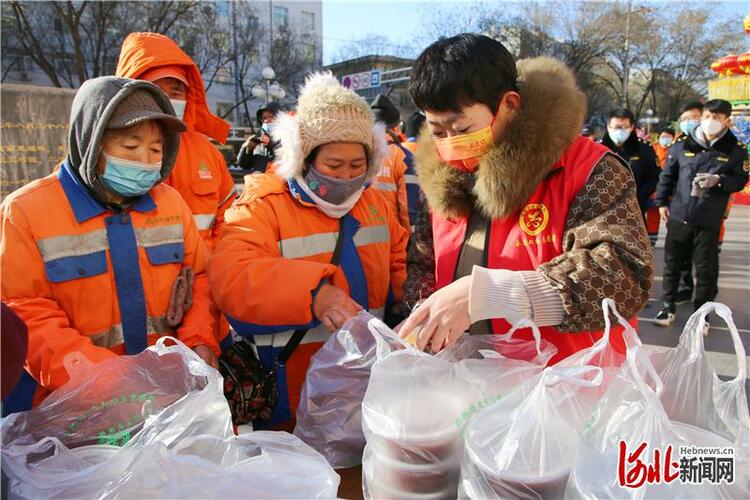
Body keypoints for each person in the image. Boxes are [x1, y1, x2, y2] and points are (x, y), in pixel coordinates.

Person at [400, 34, 652, 363]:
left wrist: (492, 294)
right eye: (436, 131)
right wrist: (425, 317)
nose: (449, 143)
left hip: (568, 383)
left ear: (508, 106)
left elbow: (624, 276)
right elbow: (423, 261)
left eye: (461, 129)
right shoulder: (442, 179)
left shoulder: (589, 169)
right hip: (468, 382)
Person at [0, 77, 221, 410]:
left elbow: (201, 280)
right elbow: (26, 313)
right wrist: (108, 382)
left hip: (169, 399)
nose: (145, 160)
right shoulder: (25, 212)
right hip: (73, 406)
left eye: (156, 149)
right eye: (130, 148)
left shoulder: (171, 204)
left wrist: (200, 342)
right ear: (91, 143)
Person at [208, 73, 408, 425]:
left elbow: (399, 265)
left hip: (368, 388)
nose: (345, 178)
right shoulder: (262, 205)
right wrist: (315, 293)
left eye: (356, 166)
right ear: (304, 157)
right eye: (333, 165)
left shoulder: (375, 204)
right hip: (292, 392)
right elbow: (232, 277)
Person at [116, 32, 236, 253]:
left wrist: (213, 264)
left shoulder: (207, 152)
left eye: (175, 92)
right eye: (157, 91)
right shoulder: (106, 150)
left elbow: (229, 216)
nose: (168, 100)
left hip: (204, 277)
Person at [653, 99, 748, 329]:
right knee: (672, 265)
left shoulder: (734, 150)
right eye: (707, 116)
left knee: (706, 269)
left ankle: (701, 315)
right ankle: (667, 306)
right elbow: (667, 176)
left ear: (727, 120)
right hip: (679, 215)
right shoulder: (682, 145)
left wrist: (720, 181)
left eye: (716, 117)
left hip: (708, 219)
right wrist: (661, 202)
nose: (710, 121)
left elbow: (740, 179)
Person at [600, 108, 661, 218]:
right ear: (608, 127)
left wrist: (639, 196)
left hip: (634, 211)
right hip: (602, 212)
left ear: (631, 127)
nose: (619, 131)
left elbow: (654, 177)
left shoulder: (644, 149)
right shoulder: (597, 150)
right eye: (616, 127)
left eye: (624, 127)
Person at [370, 94, 411, 230]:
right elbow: (408, 209)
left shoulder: (357, 154)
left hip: (359, 238)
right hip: (392, 238)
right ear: (395, 128)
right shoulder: (403, 157)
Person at [646, 125, 676, 246]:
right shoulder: (652, 149)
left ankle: (674, 240)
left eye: (669, 137)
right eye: (663, 136)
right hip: (655, 188)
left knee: (672, 215)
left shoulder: (676, 149)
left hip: (671, 188)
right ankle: (652, 239)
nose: (665, 139)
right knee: (653, 214)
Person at [237, 102, 283, 173]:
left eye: (271, 116)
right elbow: (244, 165)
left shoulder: (287, 138)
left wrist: (270, 145)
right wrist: (247, 149)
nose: (266, 120)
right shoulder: (258, 141)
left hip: (280, 182)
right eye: (264, 118)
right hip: (261, 182)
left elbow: (288, 161)